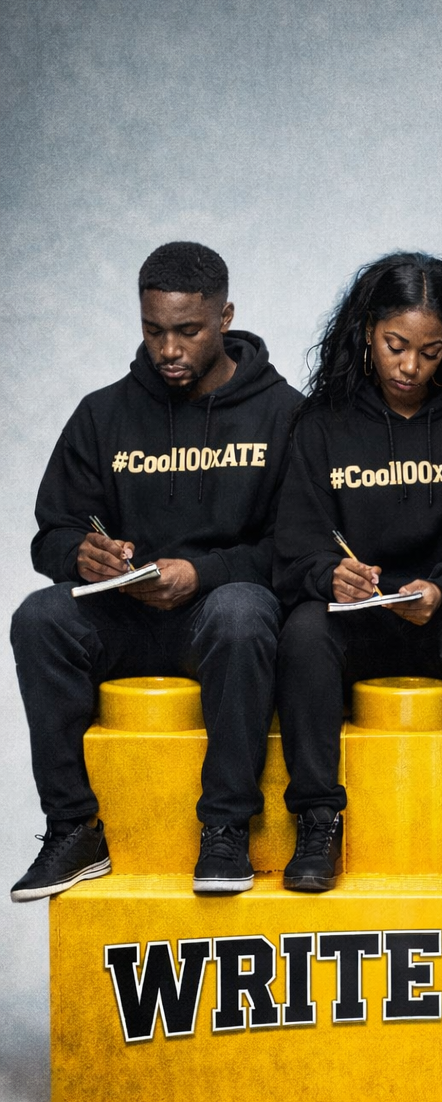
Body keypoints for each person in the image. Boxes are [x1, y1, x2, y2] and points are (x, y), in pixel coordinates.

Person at [10, 241, 300, 900]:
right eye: (153, 330)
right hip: (125, 616)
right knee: (40, 617)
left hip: (217, 618)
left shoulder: (283, 414)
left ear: (225, 317)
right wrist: (79, 554)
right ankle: (72, 829)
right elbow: (51, 534)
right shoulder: (102, 414)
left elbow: (297, 550)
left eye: (188, 331)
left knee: (242, 611)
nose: (168, 349)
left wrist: (203, 572)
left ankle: (225, 829)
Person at [273, 252, 442, 893]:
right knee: (305, 629)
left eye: (430, 352)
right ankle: (317, 819)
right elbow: (293, 548)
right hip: (360, 616)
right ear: (367, 332)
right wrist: (331, 575)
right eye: (396, 346)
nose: (411, 366)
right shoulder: (321, 426)